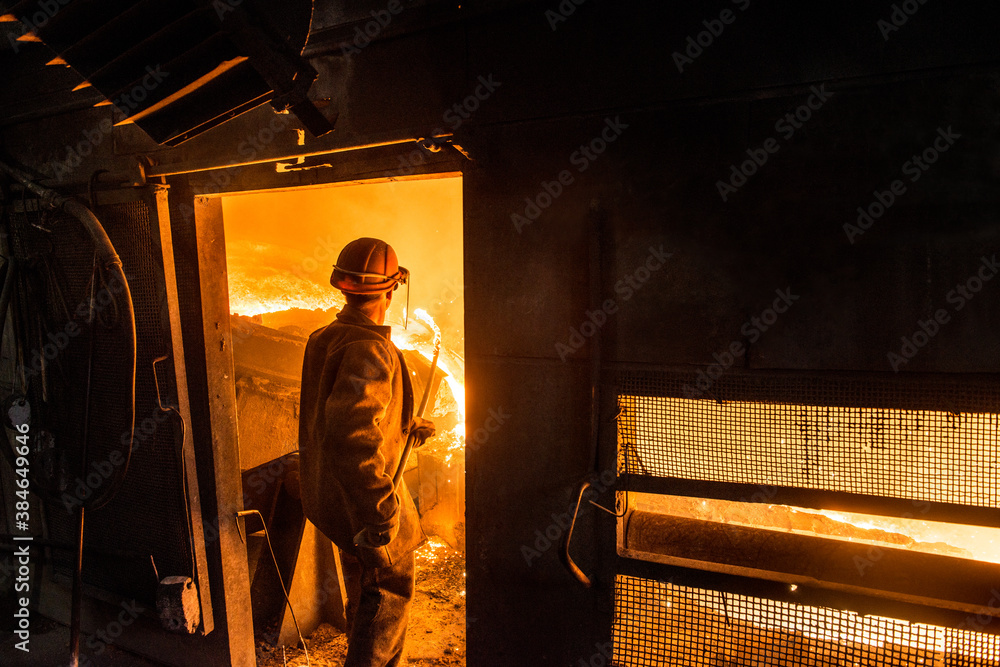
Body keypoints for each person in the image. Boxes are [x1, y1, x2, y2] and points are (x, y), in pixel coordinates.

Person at [298, 237, 435, 667]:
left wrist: (406, 425)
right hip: (365, 506)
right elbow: (351, 436)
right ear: (392, 289)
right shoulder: (370, 348)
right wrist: (381, 514)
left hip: (334, 501)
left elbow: (338, 414)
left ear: (343, 286)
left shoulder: (325, 337)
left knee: (363, 587)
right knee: (388, 596)